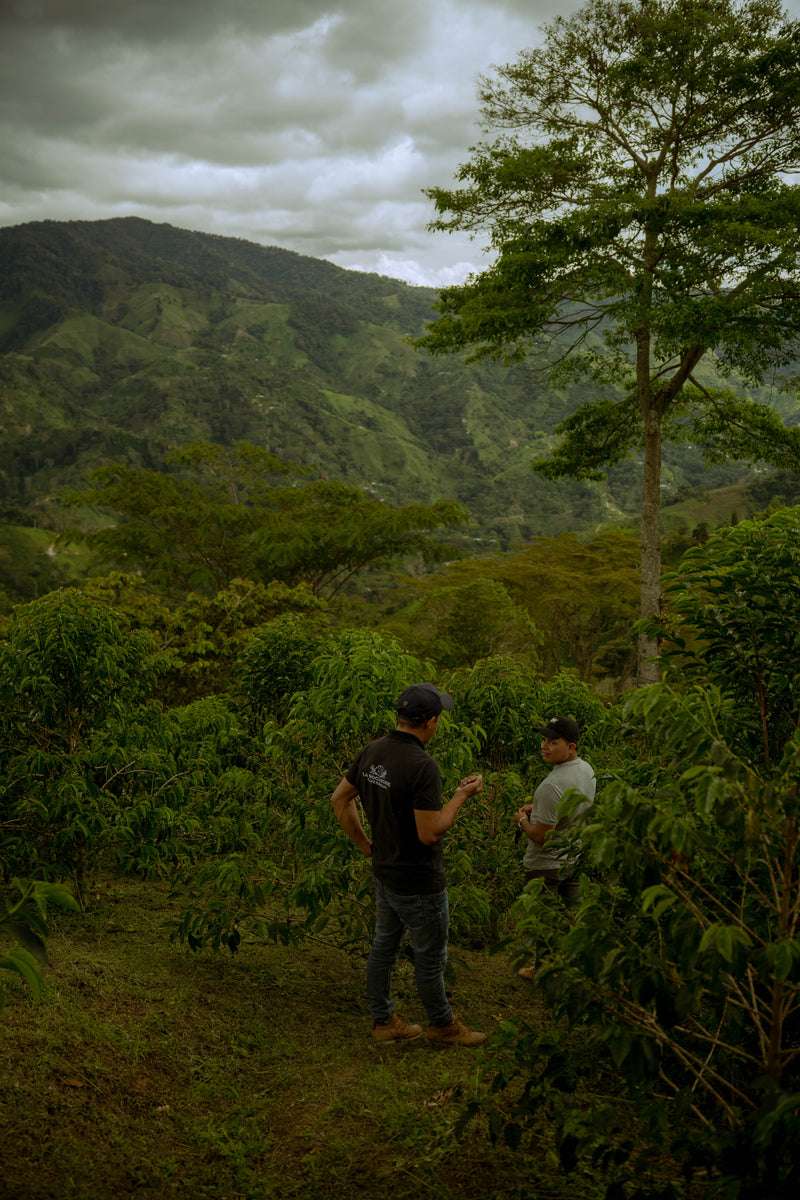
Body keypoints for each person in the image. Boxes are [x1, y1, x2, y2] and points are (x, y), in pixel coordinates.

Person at [330, 682, 487, 1047]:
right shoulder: (422, 765)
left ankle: (384, 1021)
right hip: (419, 881)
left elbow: (340, 799)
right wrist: (462, 796)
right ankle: (443, 1026)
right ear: (431, 722)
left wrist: (367, 847)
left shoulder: (373, 751)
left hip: (385, 873)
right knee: (430, 960)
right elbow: (430, 832)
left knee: (384, 947)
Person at [513, 715, 596, 981]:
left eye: (554, 742)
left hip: (545, 864)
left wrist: (522, 821)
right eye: (544, 739)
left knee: (545, 921)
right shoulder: (586, 770)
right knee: (575, 916)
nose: (544, 746)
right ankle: (581, 965)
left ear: (571, 746)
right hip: (574, 856)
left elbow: (541, 836)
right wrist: (538, 810)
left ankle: (544, 971)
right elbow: (569, 812)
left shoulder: (550, 785)